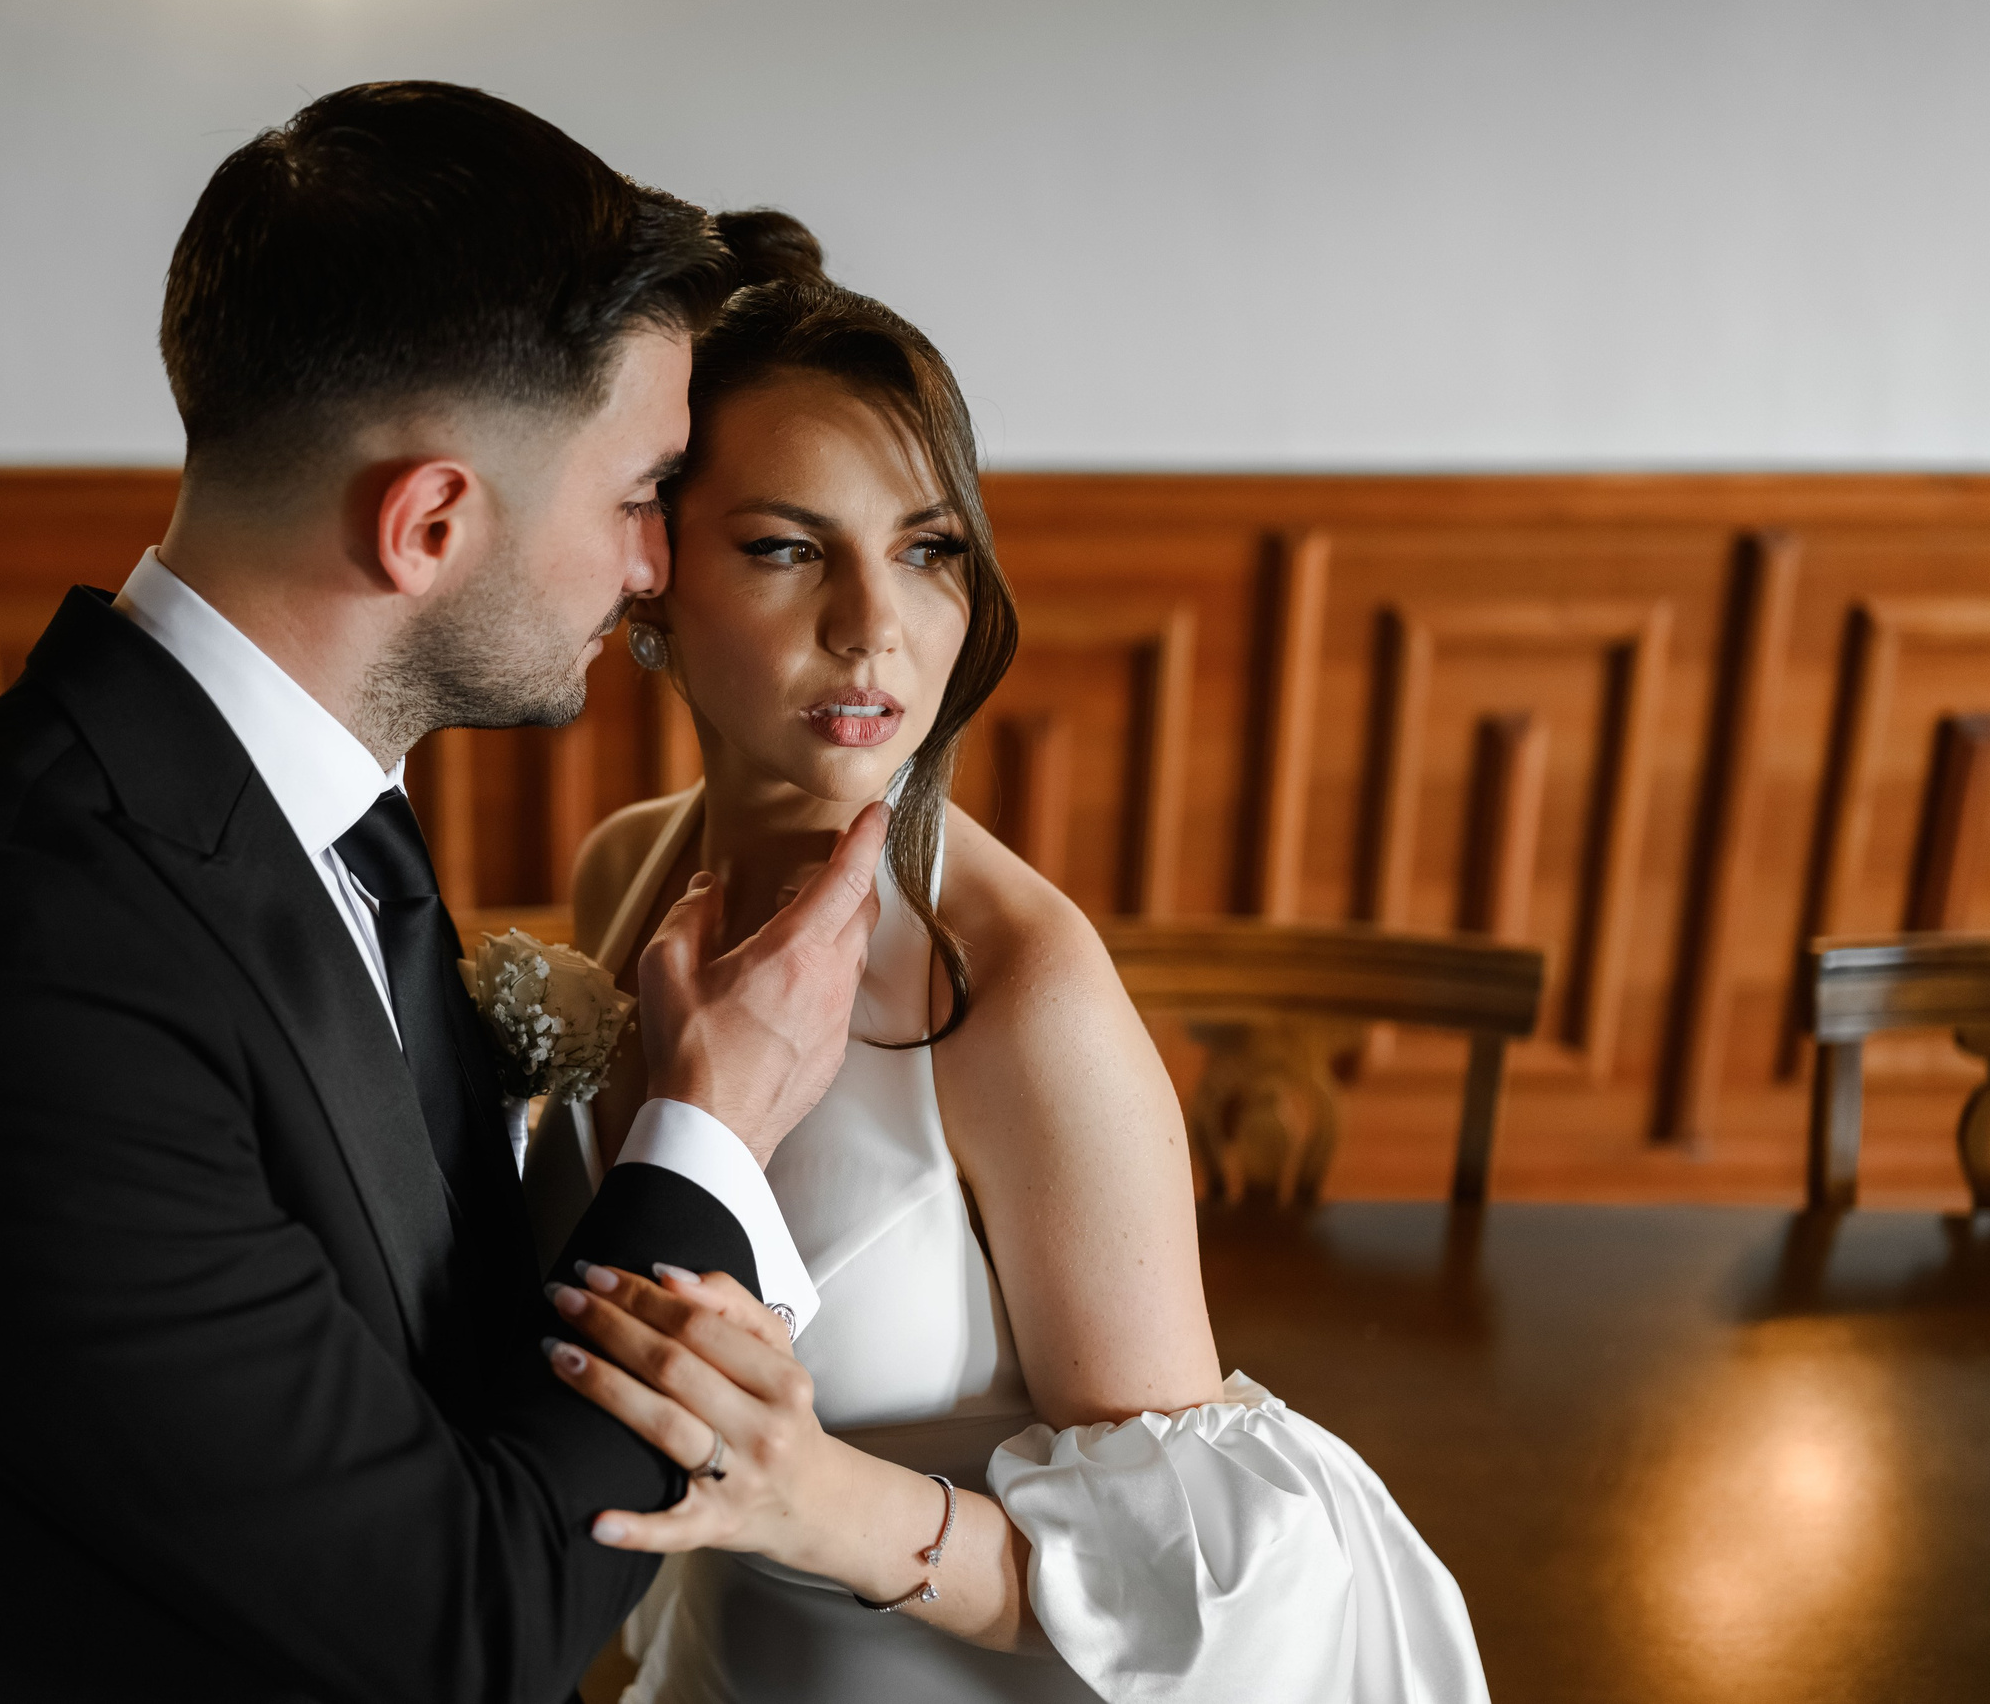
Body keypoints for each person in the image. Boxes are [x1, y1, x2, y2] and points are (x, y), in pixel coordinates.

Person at [0, 86, 892, 1701]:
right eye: (638, 496)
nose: (650, 569)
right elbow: (452, 1629)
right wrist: (714, 1132)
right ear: (427, 523)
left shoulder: (321, 826)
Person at [520, 212, 1491, 1703]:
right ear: (651, 566)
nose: (875, 632)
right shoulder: (624, 870)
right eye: (787, 549)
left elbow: (1211, 1584)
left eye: (926, 552)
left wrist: (815, 1497)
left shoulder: (1020, 988)